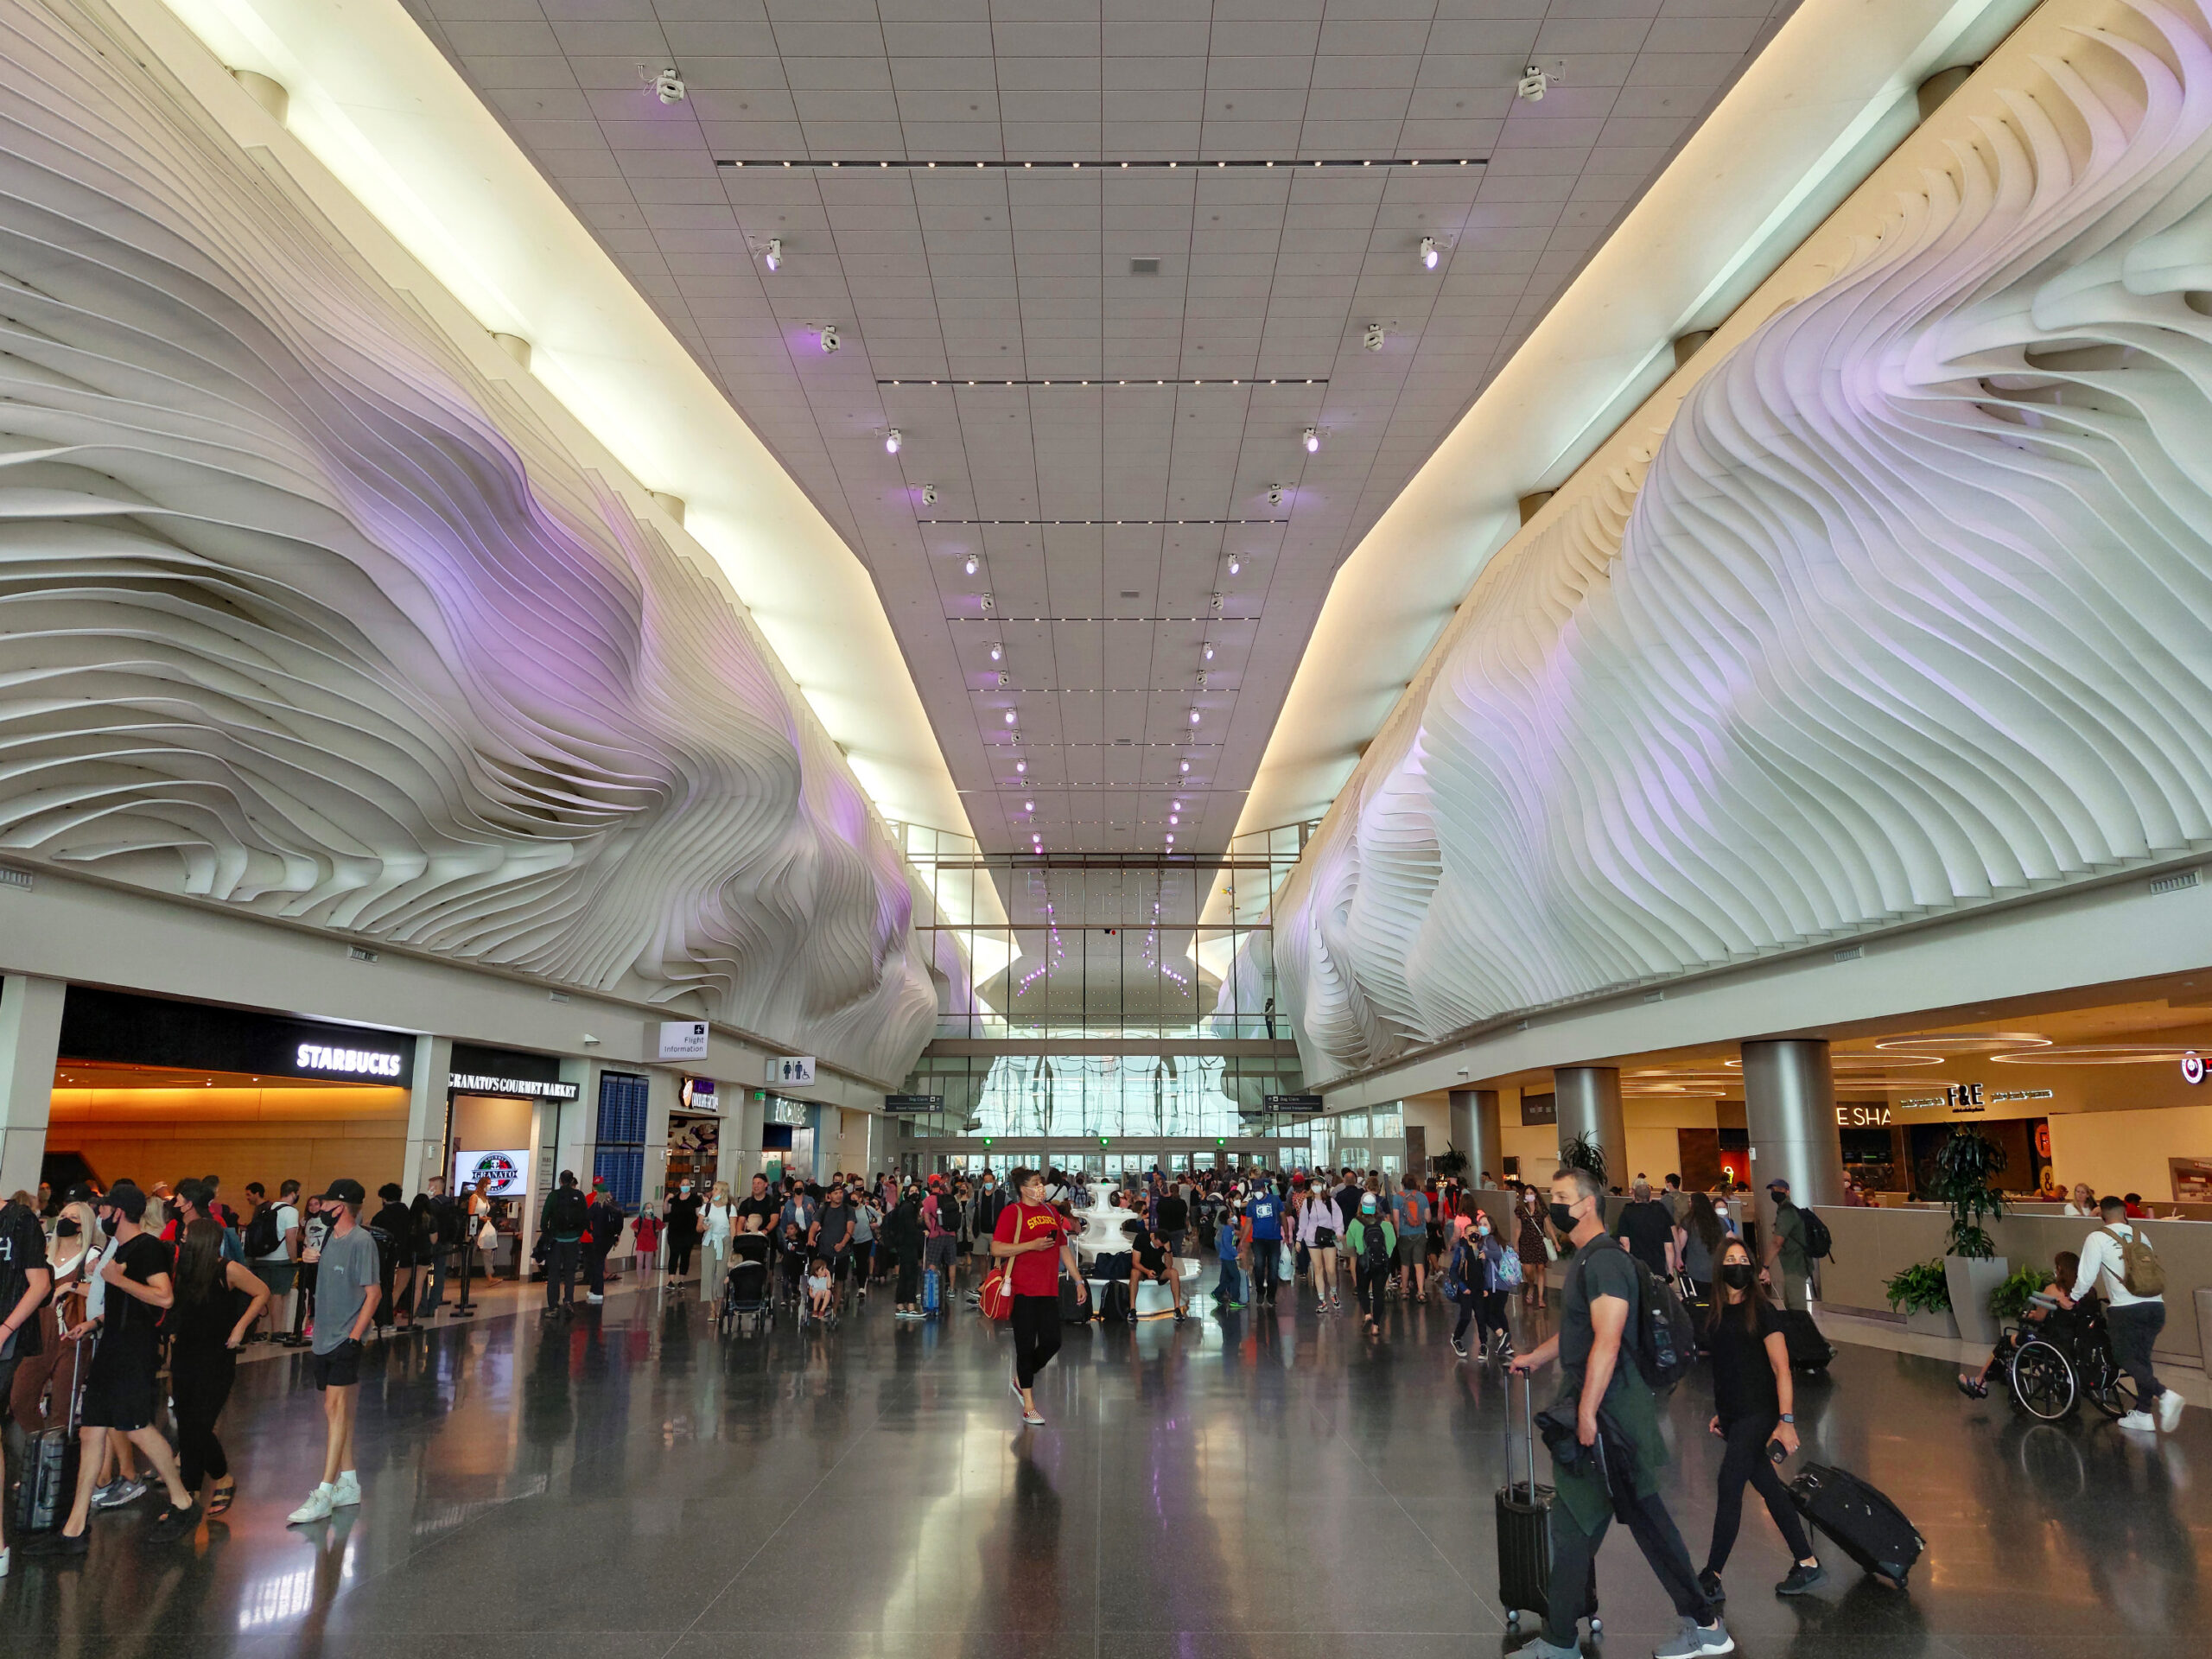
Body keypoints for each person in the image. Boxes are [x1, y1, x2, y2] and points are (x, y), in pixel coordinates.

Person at [1510, 1167, 1728, 1659]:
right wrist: (1537, 1357)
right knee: (1610, 1526)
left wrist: (1586, 1411)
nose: (1553, 1205)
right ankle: (1702, 1625)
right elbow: (1583, 1331)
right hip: (1611, 1412)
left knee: (1594, 1526)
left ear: (1587, 1205)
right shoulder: (1592, 1259)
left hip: (1610, 1416)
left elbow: (1608, 1340)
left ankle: (1563, 1641)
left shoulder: (1605, 1262)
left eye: (1561, 1197)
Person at [24, 1182, 201, 1554]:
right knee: (92, 1432)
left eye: (105, 1211)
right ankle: (74, 1529)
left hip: (132, 1353)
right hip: (112, 1347)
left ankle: (184, 1503)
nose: (100, 1216)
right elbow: (122, 1302)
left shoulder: (146, 1247)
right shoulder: (119, 1249)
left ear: (119, 1212)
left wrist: (118, 1279)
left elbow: (164, 1296)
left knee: (135, 1427)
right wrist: (95, 1322)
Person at [1699, 1237, 1822, 1603]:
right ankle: (1808, 1561)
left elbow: (1781, 1369)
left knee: (1729, 1484)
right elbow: (1731, 1367)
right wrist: (1723, 1411)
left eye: (1744, 1258)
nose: (1738, 1264)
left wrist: (1786, 1420)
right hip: (1736, 1414)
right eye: (1731, 1258)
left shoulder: (1763, 1310)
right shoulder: (1718, 1312)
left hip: (1759, 1412)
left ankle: (1712, 1575)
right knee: (1768, 1487)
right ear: (1721, 1266)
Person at [287, 1179, 382, 1524]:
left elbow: (374, 1294)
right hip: (323, 1338)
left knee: (334, 1407)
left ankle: (325, 1491)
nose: (322, 1208)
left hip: (345, 1338)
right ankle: (350, 1482)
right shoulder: (329, 1239)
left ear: (340, 1208)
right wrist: (312, 1259)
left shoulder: (362, 1241)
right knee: (336, 1413)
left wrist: (354, 1337)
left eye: (327, 1203)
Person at [168, 1216, 270, 1522]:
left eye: (186, 1234)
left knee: (199, 1425)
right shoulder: (184, 1269)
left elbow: (262, 1292)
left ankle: (222, 1478)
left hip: (216, 1355)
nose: (182, 1238)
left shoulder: (228, 1269)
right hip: (185, 1351)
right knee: (186, 1424)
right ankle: (190, 1493)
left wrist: (240, 1328)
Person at [2059, 1195, 2183, 1433]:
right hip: (2155, 1307)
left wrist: (2072, 1299)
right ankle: (2144, 1414)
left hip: (2126, 1310)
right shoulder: (2140, 1235)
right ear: (2125, 1213)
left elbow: (2086, 1277)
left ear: (2102, 1215)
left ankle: (2164, 1395)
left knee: (2124, 1357)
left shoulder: (2097, 1238)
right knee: (2142, 1361)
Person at [991, 1167, 1085, 1426]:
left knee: (1052, 1342)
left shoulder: (1051, 1212)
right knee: (1024, 1346)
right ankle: (1029, 1404)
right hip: (1023, 1289)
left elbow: (1063, 1248)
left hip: (1048, 1288)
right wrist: (1029, 1246)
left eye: (1040, 1183)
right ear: (1023, 1188)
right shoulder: (1014, 1213)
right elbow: (997, 1247)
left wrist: (1078, 1280)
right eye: (1035, 1183)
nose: (1040, 1187)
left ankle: (1022, 1379)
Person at [0, 1187, 54, 1572]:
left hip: (6, 1338)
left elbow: (40, 1284)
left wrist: (5, 1329)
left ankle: (0, 1544)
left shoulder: (19, 1221)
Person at [1959, 1250, 2085, 1397]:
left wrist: (2032, 1315)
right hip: (2074, 1344)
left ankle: (1980, 1382)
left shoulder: (2053, 1290)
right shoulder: (2085, 1290)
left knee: (2006, 1342)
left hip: (2052, 1344)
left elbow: (2038, 1319)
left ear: (2060, 1269)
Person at [242, 1179, 300, 1339]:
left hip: (260, 1258)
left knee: (260, 1294)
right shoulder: (291, 1211)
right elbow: (290, 1238)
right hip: (280, 1260)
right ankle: (276, 1332)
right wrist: (294, 1260)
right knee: (277, 1295)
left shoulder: (267, 1207)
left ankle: (257, 1331)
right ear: (294, 1193)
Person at [539, 1170, 589, 1317]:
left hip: (556, 1241)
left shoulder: (553, 1196)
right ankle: (568, 1301)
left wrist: (548, 1234)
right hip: (572, 1241)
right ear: (572, 1180)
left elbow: (544, 1220)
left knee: (553, 1273)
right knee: (569, 1273)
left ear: (560, 1180)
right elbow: (585, 1218)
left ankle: (553, 1307)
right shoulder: (579, 1196)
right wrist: (577, 1235)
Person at [1344, 1194, 1395, 1336]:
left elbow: (1349, 1243)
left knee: (1362, 1290)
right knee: (1379, 1293)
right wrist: (1385, 1256)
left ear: (1361, 1206)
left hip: (1364, 1262)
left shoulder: (1355, 1223)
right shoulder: (1386, 1224)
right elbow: (1392, 1244)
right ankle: (1376, 1326)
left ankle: (1367, 1314)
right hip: (1382, 1263)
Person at [1762, 1179, 1812, 1312]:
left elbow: (1777, 1243)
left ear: (1787, 1192)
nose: (1775, 1192)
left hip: (1796, 1264)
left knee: (1797, 1308)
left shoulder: (1787, 1212)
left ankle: (1804, 1332)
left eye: (1779, 1189)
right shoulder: (1785, 1210)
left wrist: (1765, 1267)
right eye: (1773, 1190)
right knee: (1791, 1305)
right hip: (1795, 1263)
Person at [370, 1182, 414, 1332]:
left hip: (385, 1256)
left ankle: (381, 1320)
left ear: (384, 1198)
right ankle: (389, 1321)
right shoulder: (406, 1213)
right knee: (393, 1289)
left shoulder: (382, 1216)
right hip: (405, 1254)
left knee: (382, 1286)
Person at [1612, 1178, 1678, 1279]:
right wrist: (1670, 1273)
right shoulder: (1660, 1211)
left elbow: (1625, 1243)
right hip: (1658, 1268)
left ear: (1635, 1196)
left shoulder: (1627, 1212)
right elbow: (1669, 1247)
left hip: (1637, 1269)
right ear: (1650, 1196)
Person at [1126, 1219, 1188, 1324]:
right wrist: (1147, 1271)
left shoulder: (1166, 1243)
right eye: (1157, 1245)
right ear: (1153, 1237)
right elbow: (1135, 1262)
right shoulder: (1141, 1238)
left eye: (1161, 1246)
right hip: (1142, 1267)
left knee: (1173, 1272)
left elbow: (1169, 1266)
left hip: (1157, 1268)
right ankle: (1132, 1309)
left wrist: (1168, 1251)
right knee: (1134, 1272)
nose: (1158, 1247)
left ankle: (1177, 1309)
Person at [410, 1176, 454, 1319]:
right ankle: (433, 1304)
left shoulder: (432, 1205)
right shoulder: (449, 1203)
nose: (429, 1187)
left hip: (430, 1242)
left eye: (430, 1184)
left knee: (421, 1275)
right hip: (446, 1242)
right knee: (440, 1274)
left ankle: (421, 1307)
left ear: (435, 1186)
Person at [1678, 1192, 1727, 1316]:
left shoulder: (1688, 1221)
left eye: (1690, 1202)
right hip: (1717, 1269)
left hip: (1696, 1270)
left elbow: (1679, 1245)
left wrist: (1677, 1260)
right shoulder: (1719, 1221)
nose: (1689, 1204)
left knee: (1699, 1302)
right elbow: (1732, 1239)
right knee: (1717, 1302)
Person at [1297, 1179, 1340, 1312]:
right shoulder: (1307, 1202)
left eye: (1318, 1184)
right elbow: (1303, 1222)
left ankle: (1333, 1292)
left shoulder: (1330, 1202)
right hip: (1312, 1239)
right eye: (1313, 1184)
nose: (1315, 1187)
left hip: (1328, 1239)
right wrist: (1299, 1239)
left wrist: (1339, 1232)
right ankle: (1322, 1301)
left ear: (1324, 1186)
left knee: (1331, 1269)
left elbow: (1338, 1219)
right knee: (1318, 1268)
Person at [883, 1186, 925, 1319]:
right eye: (912, 1191)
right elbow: (910, 1228)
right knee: (910, 1275)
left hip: (903, 1246)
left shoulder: (904, 1207)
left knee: (904, 1275)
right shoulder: (909, 1208)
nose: (915, 1193)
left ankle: (901, 1305)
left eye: (917, 1191)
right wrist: (921, 1233)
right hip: (908, 1246)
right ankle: (910, 1305)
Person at [1245, 1179, 1284, 1306]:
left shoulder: (1275, 1200)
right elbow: (1248, 1223)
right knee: (1259, 1266)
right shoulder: (1251, 1204)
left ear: (1263, 1189)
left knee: (1273, 1268)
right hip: (1258, 1240)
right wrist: (1242, 1240)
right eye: (1254, 1191)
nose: (1256, 1193)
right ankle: (1260, 1291)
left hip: (1274, 1239)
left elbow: (1283, 1216)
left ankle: (1271, 1295)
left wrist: (1287, 1233)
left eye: (1258, 1190)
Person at [697, 1180, 736, 1306]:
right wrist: (703, 1227)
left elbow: (733, 1230)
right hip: (709, 1240)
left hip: (724, 1242)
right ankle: (712, 1308)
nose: (712, 1192)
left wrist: (733, 1248)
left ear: (722, 1192)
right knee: (708, 1273)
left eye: (715, 1189)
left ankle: (720, 1304)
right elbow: (698, 1227)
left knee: (721, 1273)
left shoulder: (731, 1208)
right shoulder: (706, 1207)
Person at [924, 1177, 961, 1306]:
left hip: (936, 1235)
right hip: (951, 1234)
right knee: (951, 1262)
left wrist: (932, 1230)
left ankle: (932, 1288)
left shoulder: (928, 1200)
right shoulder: (948, 1197)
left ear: (930, 1186)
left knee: (933, 1261)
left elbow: (927, 1219)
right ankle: (951, 1289)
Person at [1392, 1174, 1429, 1300]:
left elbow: (1396, 1219)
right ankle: (1421, 1291)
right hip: (1420, 1233)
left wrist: (1397, 1233)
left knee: (1405, 1263)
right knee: (1419, 1263)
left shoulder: (1397, 1197)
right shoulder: (1422, 1197)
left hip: (1404, 1233)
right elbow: (1428, 1218)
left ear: (1402, 1184)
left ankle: (1404, 1290)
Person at [1516, 1186, 1552, 1313]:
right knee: (1528, 1271)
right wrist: (1516, 1244)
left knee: (1541, 1269)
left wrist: (1555, 1241)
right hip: (1525, 1243)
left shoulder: (1541, 1209)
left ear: (1536, 1194)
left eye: (1531, 1193)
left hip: (1539, 1242)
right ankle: (1531, 1286)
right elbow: (1518, 1228)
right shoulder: (1521, 1210)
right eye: (1527, 1193)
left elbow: (1548, 1225)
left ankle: (1541, 1298)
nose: (1529, 1195)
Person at [1212, 1195, 1246, 1309]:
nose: (1234, 1217)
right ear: (1227, 1219)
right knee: (1236, 1277)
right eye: (1231, 1216)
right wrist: (1236, 1254)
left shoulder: (1230, 1228)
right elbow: (1227, 1244)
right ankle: (1235, 1300)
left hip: (1227, 1257)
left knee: (1228, 1278)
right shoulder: (1227, 1229)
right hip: (1228, 1257)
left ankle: (1217, 1293)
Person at [665, 1179, 702, 1279]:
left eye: (687, 1184)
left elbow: (698, 1214)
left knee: (685, 1255)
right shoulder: (675, 1198)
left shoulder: (695, 1199)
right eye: (683, 1184)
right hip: (674, 1232)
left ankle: (682, 1279)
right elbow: (666, 1210)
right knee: (674, 1254)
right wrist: (666, 1200)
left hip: (689, 1232)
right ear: (680, 1186)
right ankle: (671, 1279)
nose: (685, 1186)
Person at [1155, 1179, 1189, 1262]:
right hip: (1179, 1229)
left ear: (1169, 1190)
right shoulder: (1182, 1203)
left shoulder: (1163, 1202)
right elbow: (1184, 1214)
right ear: (1178, 1191)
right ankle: (1178, 1267)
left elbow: (1158, 1211)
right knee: (1177, 1251)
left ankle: (1166, 1266)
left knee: (1165, 1250)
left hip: (1165, 1230)